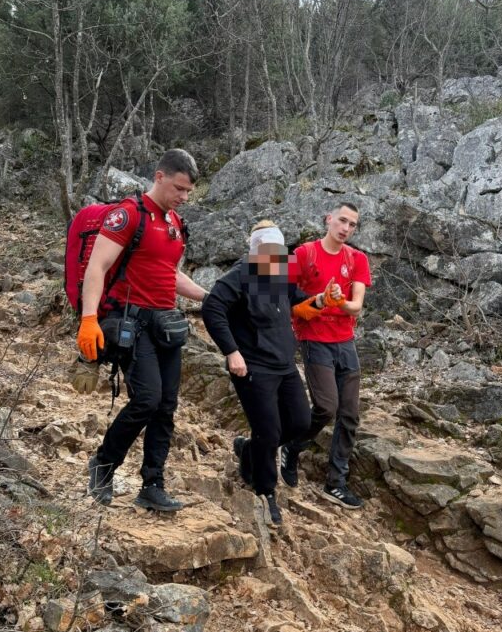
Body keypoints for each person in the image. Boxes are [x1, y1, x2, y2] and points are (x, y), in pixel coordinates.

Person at [76, 148, 207, 511]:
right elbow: (97, 267)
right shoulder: (128, 215)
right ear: (160, 176)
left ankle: (153, 484)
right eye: (179, 188)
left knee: (166, 406)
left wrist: (206, 297)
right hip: (132, 323)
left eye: (188, 192)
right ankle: (103, 463)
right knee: (147, 399)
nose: (182, 196)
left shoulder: (175, 224)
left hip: (167, 324)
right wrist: (89, 319)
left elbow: (170, 273)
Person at [201, 221, 335, 526]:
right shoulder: (240, 275)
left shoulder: (279, 275)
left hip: (284, 363)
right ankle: (265, 490)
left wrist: (323, 299)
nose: (276, 256)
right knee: (269, 431)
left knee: (300, 421)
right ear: (257, 250)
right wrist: (231, 351)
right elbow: (212, 307)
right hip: (252, 366)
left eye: (280, 251)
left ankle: (250, 450)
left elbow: (298, 300)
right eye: (270, 250)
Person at [281, 202, 371, 509]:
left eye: (353, 224)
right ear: (328, 219)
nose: (346, 228)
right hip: (313, 338)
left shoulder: (357, 258)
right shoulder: (304, 254)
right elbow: (283, 297)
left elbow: (357, 305)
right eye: (342, 221)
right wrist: (318, 302)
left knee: (350, 415)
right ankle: (291, 448)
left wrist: (340, 302)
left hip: (345, 340)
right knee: (326, 407)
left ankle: (336, 483)